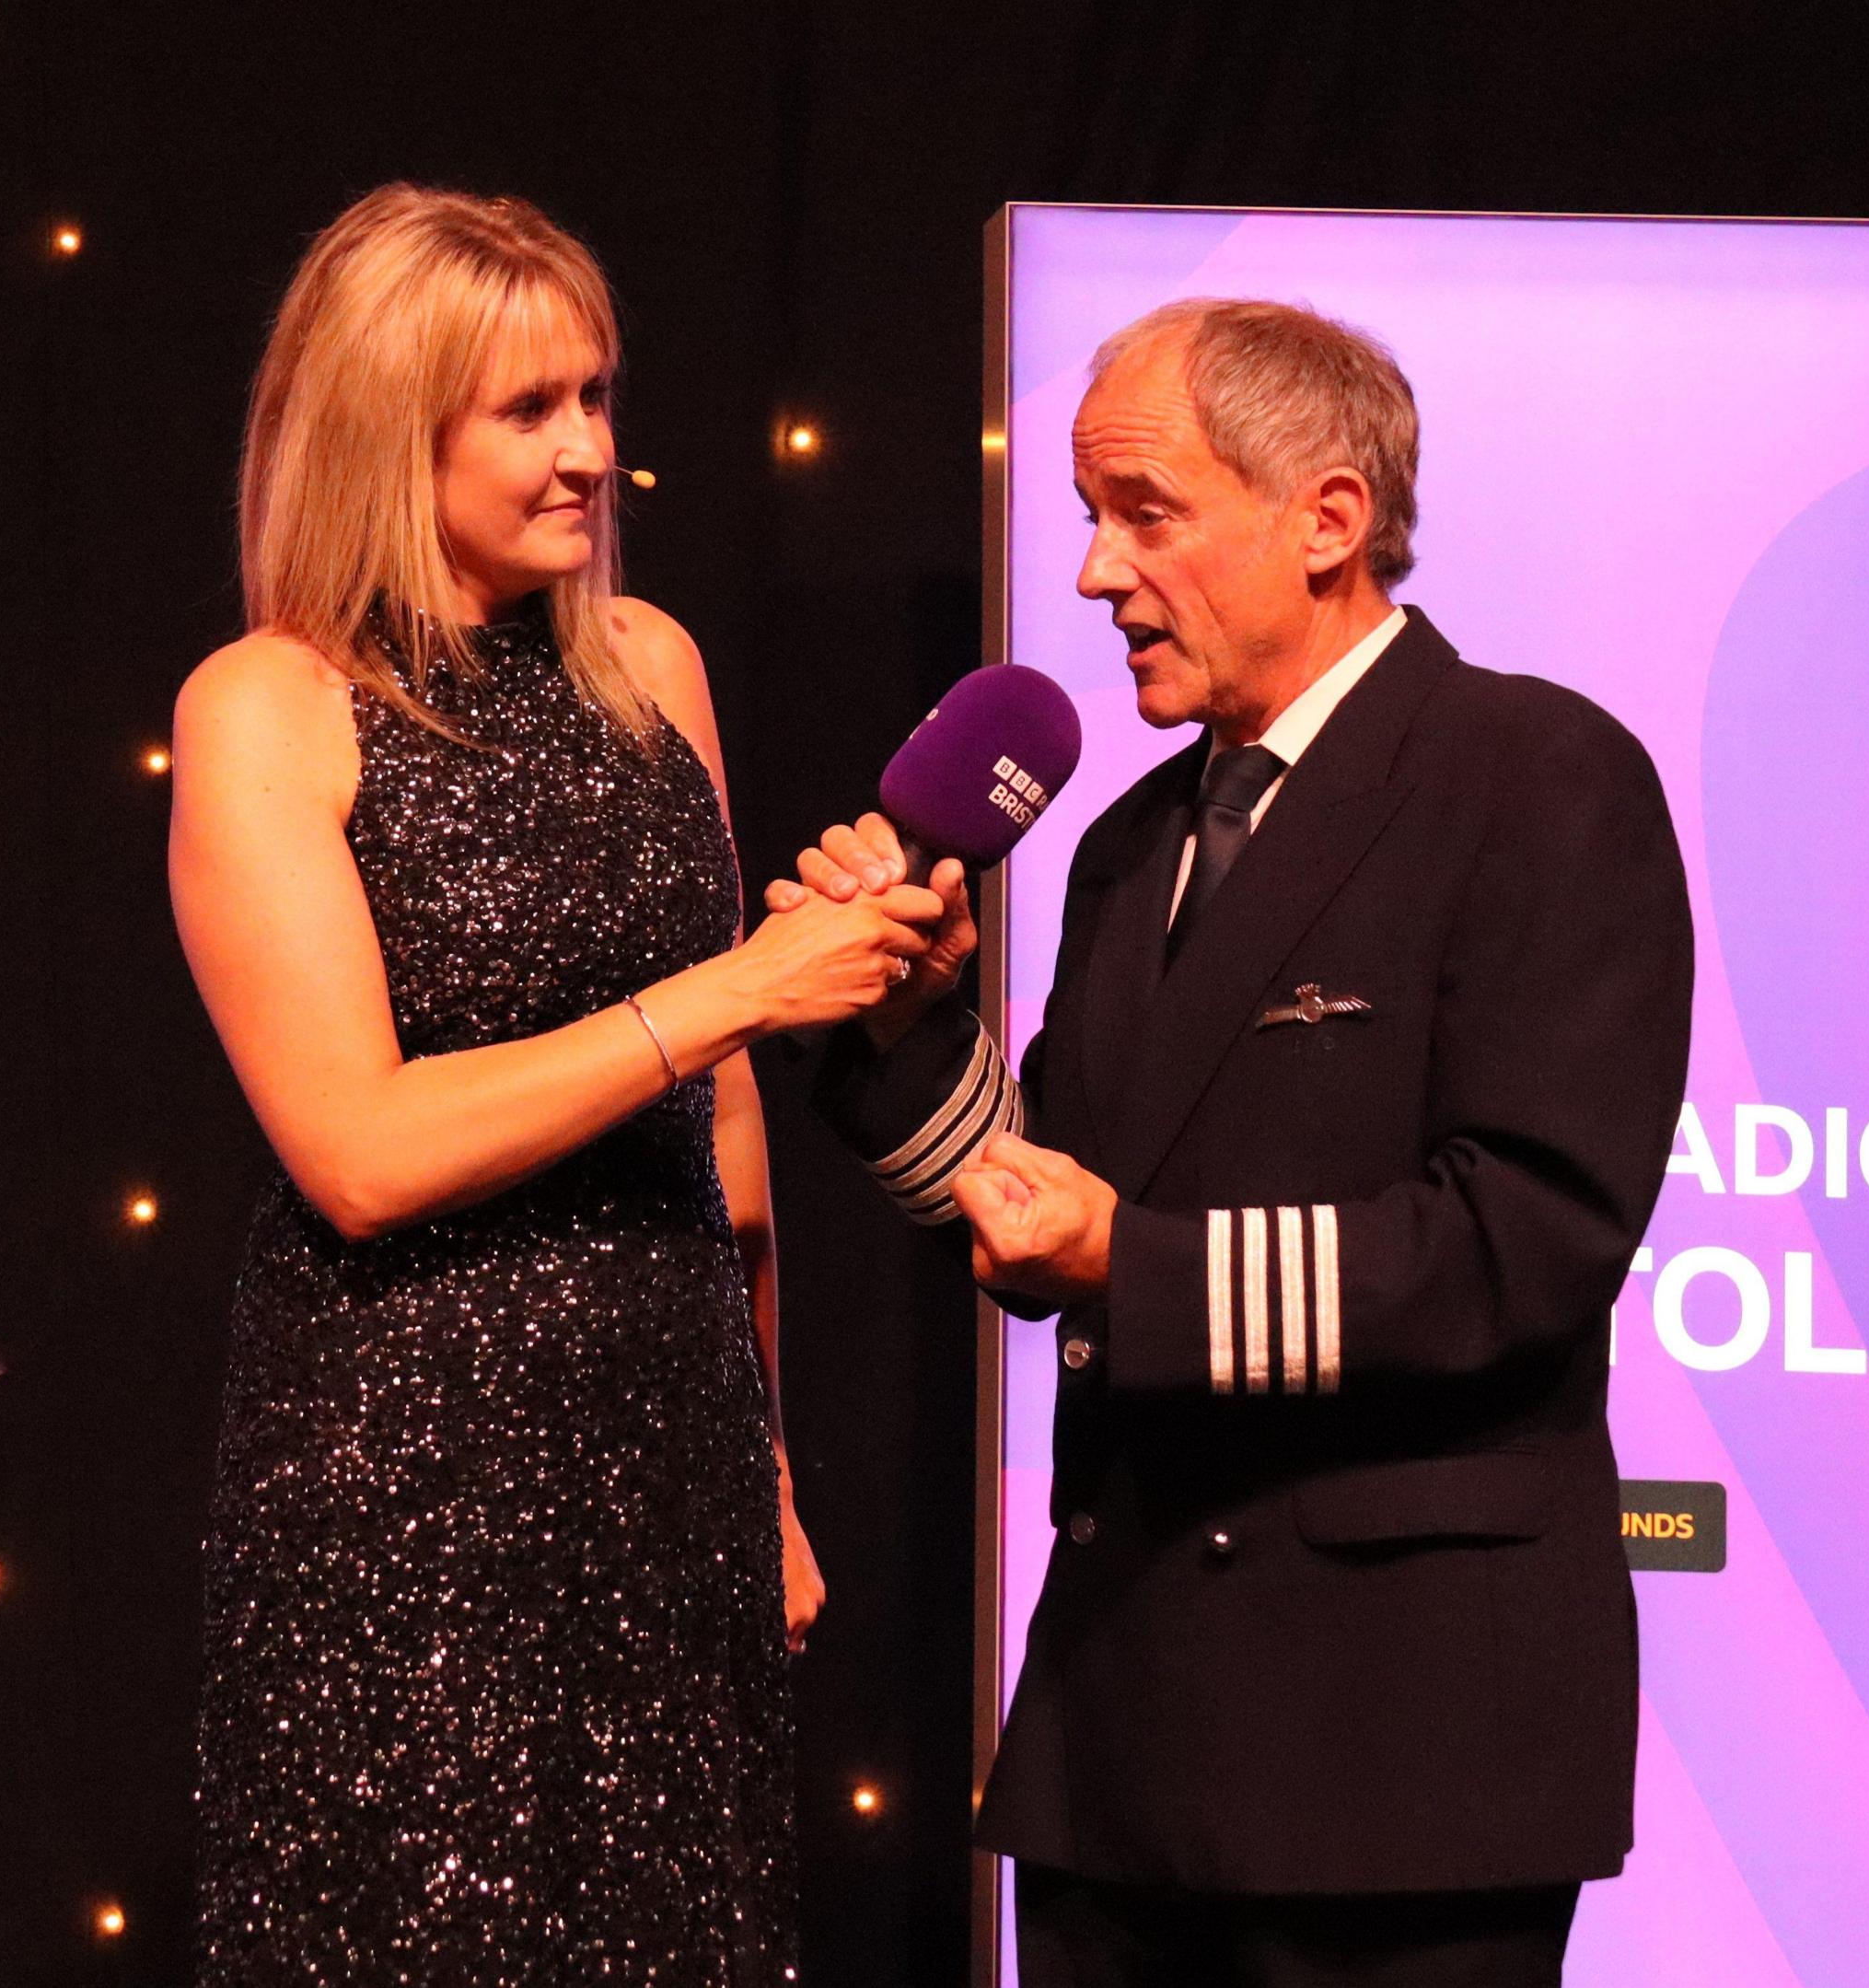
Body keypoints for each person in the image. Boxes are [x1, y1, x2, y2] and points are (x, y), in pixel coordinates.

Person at [781, 298, 1695, 1985]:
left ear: (1327, 521)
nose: (1091, 576)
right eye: (1086, 516)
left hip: (1404, 1766)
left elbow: (1528, 1242)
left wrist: (1131, 1263)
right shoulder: (1135, 843)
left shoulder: (1537, 776)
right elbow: (1037, 1204)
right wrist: (902, 1021)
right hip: (1119, 1755)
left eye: (1145, 511)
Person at [168, 185, 939, 1984]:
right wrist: (734, 989)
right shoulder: (269, 705)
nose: (591, 450)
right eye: (531, 409)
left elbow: (728, 1140)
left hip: (668, 1461)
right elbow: (355, 1150)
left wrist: (765, 1470)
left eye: (597, 396)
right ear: (385, 426)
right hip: (409, 1493)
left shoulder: (648, 666)